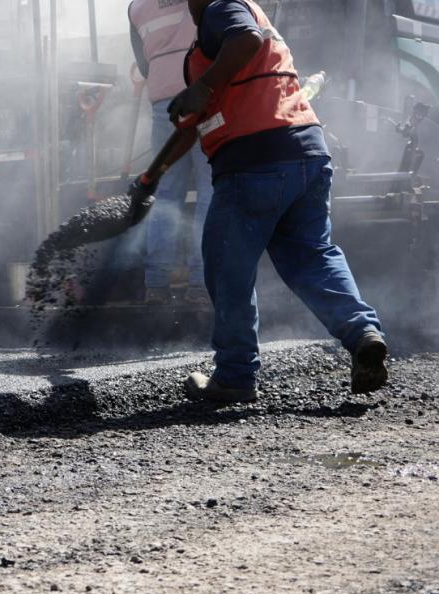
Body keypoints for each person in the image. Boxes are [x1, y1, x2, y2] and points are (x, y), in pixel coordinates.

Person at [129, 0, 388, 402]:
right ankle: (362, 334)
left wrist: (202, 86)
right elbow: (188, 130)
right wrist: (149, 180)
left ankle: (234, 376)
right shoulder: (212, 46)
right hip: (307, 156)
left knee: (227, 267)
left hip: (254, 163)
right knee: (312, 257)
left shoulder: (223, 10)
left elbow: (245, 39)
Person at [129, 0, 213, 305]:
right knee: (210, 191)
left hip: (163, 102)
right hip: (203, 95)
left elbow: (143, 65)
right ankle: (201, 285)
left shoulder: (136, 8)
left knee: (165, 194)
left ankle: (156, 284)